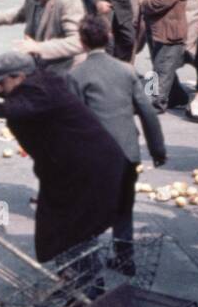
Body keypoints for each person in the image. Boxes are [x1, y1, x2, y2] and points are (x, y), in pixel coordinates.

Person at [0, 51, 128, 263]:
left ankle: (86, 288)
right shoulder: (31, 82)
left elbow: (6, 109)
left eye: (1, 82)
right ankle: (74, 281)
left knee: (74, 233)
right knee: (57, 229)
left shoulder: (42, 92)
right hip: (66, 171)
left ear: (18, 76)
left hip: (90, 170)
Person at [69, 15, 166, 269]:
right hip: (127, 153)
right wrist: (157, 149)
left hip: (95, 158)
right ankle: (126, 259)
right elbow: (147, 112)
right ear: (109, 38)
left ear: (82, 43)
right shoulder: (127, 70)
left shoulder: (77, 75)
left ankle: (88, 264)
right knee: (124, 208)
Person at [138, 0, 188, 113]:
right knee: (162, 66)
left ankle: (155, 102)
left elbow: (162, 1)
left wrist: (144, 2)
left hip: (169, 30)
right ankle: (178, 96)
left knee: (161, 68)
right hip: (157, 27)